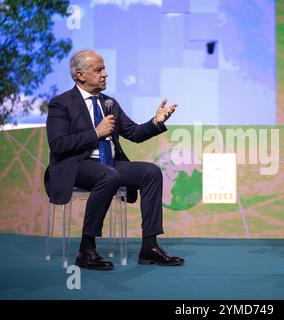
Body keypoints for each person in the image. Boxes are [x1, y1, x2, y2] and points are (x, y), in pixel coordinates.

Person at [44, 49, 184, 270]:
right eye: (98, 70)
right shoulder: (61, 104)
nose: (105, 74)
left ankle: (150, 246)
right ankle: (86, 248)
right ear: (81, 75)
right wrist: (96, 133)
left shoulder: (109, 103)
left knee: (151, 172)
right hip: (75, 165)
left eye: (104, 69)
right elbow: (59, 145)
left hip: (108, 164)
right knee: (108, 175)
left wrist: (156, 122)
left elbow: (135, 134)